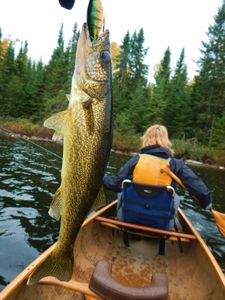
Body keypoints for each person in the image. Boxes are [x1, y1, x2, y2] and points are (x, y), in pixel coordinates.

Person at [103, 124, 212, 227]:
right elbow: (199, 188)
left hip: (128, 218)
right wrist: (206, 203)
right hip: (162, 224)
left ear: (145, 138)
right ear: (166, 141)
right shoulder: (175, 164)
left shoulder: (136, 160)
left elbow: (114, 184)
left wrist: (99, 178)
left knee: (123, 190)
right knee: (175, 197)